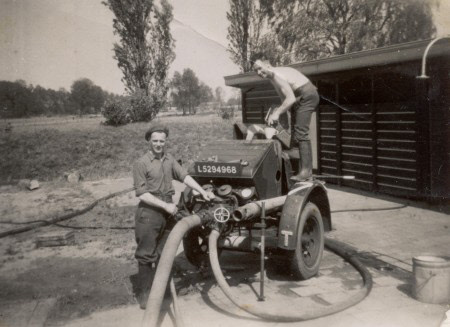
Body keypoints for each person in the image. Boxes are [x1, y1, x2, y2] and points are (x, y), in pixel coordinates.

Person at [132, 124, 213, 309]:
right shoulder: (141, 163)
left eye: (162, 141)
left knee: (165, 253)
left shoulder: (169, 159)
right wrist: (166, 206)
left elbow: (184, 176)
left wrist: (202, 191)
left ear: (165, 141)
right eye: (155, 141)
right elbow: (142, 193)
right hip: (149, 213)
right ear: (148, 141)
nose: (158, 144)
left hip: (167, 211)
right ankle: (145, 297)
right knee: (146, 255)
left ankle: (165, 294)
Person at [253, 59, 320, 182]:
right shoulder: (272, 77)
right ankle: (299, 168)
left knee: (301, 132)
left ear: (268, 65)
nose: (258, 72)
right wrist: (279, 115)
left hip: (306, 95)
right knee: (295, 135)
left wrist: (277, 113)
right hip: (299, 96)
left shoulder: (276, 75)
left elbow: (290, 99)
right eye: (256, 70)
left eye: (260, 68)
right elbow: (283, 98)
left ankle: (306, 171)